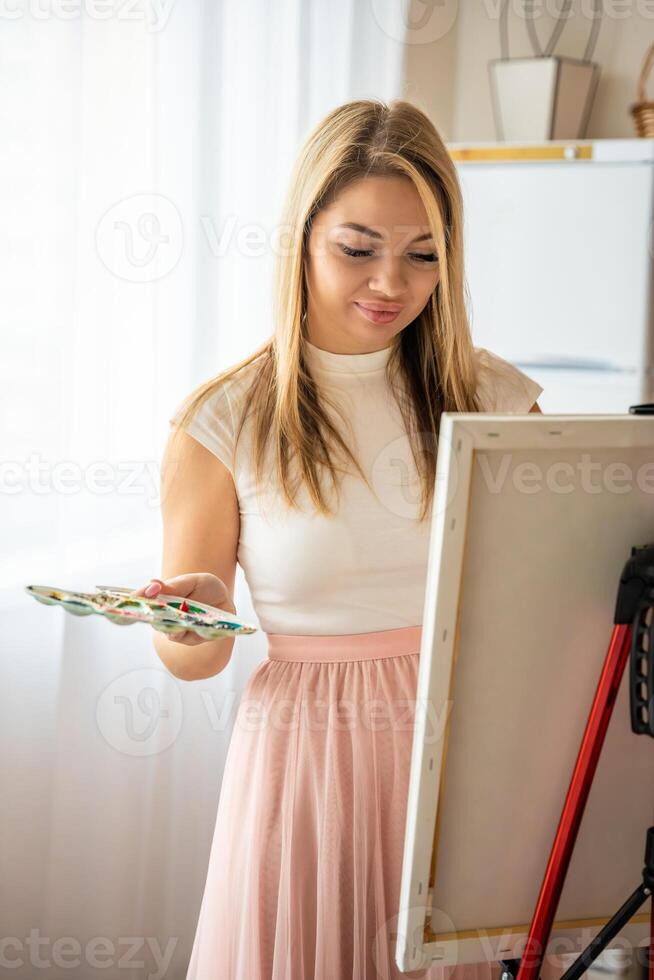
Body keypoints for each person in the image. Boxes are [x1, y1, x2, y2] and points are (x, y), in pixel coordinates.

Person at [134, 99, 544, 980]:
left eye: (424, 254)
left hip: (468, 747)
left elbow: (548, 588)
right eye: (358, 249)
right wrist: (187, 617)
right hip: (309, 762)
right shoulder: (222, 421)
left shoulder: (498, 398)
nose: (391, 283)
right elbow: (195, 659)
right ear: (302, 240)